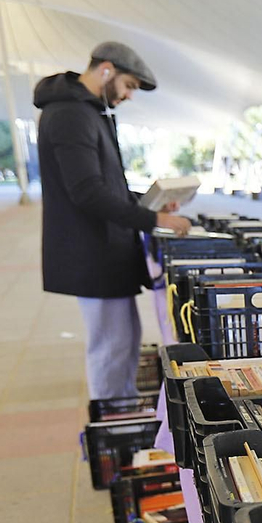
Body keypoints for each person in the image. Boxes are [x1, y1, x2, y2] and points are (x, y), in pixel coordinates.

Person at [35, 41, 189, 400]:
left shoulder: (87, 111)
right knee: (111, 346)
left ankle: (122, 406)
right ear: (107, 70)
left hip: (102, 251)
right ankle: (114, 421)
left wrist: (151, 204)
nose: (129, 95)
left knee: (123, 341)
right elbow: (88, 192)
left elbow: (106, 184)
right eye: (129, 85)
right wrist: (153, 220)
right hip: (91, 253)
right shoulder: (71, 114)